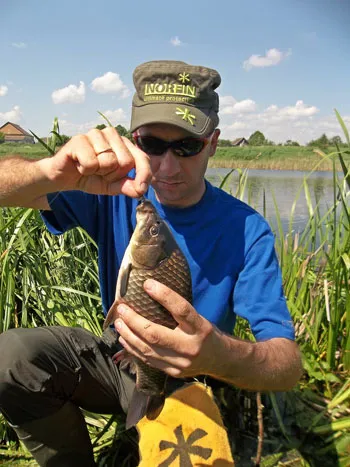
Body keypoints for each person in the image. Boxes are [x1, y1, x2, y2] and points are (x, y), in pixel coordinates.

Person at [0, 60, 302, 466]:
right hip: (118, 355)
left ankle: (153, 416)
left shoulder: (248, 229)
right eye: (153, 145)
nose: (167, 167)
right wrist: (49, 173)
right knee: (11, 357)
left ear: (212, 143)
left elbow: (286, 365)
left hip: (193, 375)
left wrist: (218, 357)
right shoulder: (112, 189)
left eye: (187, 147)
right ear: (133, 141)